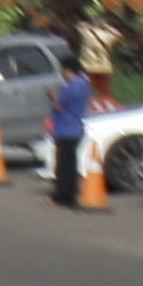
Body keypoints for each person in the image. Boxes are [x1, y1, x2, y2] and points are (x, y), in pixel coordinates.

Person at [49, 63, 95, 209]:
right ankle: (71, 194)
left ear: (68, 70)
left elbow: (59, 105)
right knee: (72, 164)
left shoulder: (71, 87)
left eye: (62, 69)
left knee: (63, 166)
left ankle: (62, 197)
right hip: (77, 127)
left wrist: (52, 96)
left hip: (65, 128)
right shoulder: (85, 85)